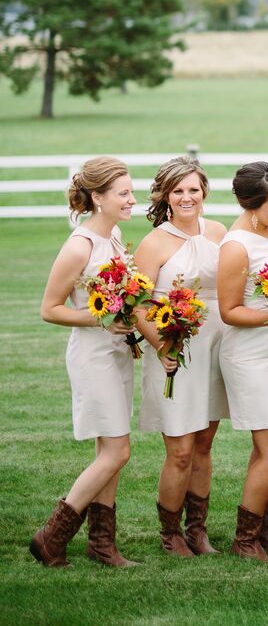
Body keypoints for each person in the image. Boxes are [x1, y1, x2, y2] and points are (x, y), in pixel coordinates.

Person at [29, 157, 139, 568]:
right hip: (92, 356)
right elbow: (50, 309)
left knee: (108, 447)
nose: (132, 200)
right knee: (118, 451)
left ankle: (102, 545)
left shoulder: (114, 237)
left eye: (130, 191)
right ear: (98, 197)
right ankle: (50, 536)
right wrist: (102, 319)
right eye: (123, 193)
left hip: (116, 354)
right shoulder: (81, 245)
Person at [135, 156, 228, 557]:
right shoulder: (154, 242)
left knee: (205, 444)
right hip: (173, 350)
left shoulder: (220, 232)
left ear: (204, 191)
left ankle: (198, 530)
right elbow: (138, 306)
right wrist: (162, 345)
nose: (187, 197)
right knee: (181, 448)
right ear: (166, 197)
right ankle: (170, 532)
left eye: (193, 189)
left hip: (215, 347)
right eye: (178, 191)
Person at [218, 162, 268, 561]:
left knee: (266, 450)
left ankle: (264, 533)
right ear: (249, 205)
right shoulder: (236, 246)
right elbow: (229, 310)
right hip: (249, 356)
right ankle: (244, 540)